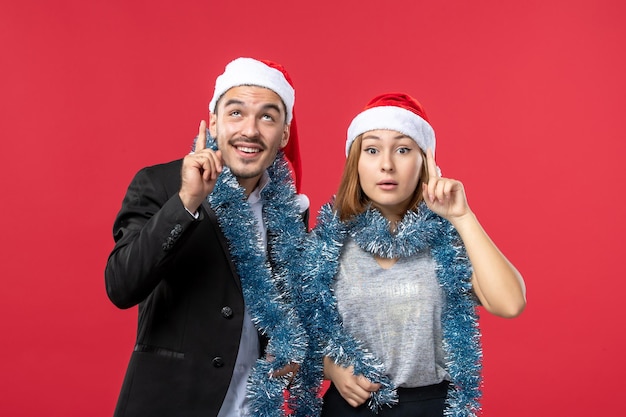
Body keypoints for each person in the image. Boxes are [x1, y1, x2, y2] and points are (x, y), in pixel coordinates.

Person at [104, 57, 313, 417]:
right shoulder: (160, 184)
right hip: (172, 404)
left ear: (284, 134)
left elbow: (287, 307)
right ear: (214, 122)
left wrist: (289, 349)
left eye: (267, 116)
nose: (250, 130)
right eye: (236, 113)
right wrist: (187, 201)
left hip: (253, 407)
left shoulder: (291, 210)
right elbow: (121, 285)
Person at [300, 92, 527, 417]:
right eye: (372, 149)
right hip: (349, 407)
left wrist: (462, 217)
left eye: (403, 149)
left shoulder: (448, 241)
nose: (387, 164)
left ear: (425, 162)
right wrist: (330, 367)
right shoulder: (326, 244)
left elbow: (510, 303)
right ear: (355, 162)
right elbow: (285, 339)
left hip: (430, 407)